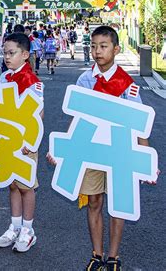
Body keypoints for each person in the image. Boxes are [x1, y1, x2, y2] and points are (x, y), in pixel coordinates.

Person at [47, 26, 157, 270]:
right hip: (91, 150)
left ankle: (114, 256)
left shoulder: (128, 85)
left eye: (104, 46)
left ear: (116, 49)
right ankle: (97, 253)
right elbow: (76, 119)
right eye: (94, 46)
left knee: (118, 204)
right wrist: (63, 149)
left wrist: (148, 161)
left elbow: (139, 124)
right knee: (94, 202)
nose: (98, 51)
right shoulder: (84, 79)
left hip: (120, 152)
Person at [0, 32, 44, 253]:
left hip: (25, 143)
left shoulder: (33, 82)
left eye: (11, 53)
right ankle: (14, 227)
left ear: (25, 55)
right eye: (4, 52)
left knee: (26, 186)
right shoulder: (4, 78)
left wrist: (30, 142)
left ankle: (28, 230)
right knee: (12, 184)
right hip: (6, 140)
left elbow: (38, 115)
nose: (7, 57)